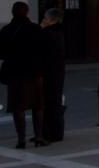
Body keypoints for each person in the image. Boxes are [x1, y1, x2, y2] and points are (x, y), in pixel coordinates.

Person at [0, 1, 46, 148]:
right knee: (38, 105)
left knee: (18, 107)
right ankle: (39, 136)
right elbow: (44, 49)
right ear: (27, 12)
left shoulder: (6, 30)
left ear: (12, 13)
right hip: (34, 72)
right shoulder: (36, 29)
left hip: (14, 73)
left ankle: (21, 139)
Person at [40, 8, 66, 143]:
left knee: (51, 103)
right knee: (53, 102)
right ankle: (53, 132)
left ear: (53, 20)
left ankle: (52, 133)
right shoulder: (58, 32)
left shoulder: (50, 33)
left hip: (51, 72)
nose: (43, 20)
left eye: (46, 18)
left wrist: (42, 29)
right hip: (56, 72)